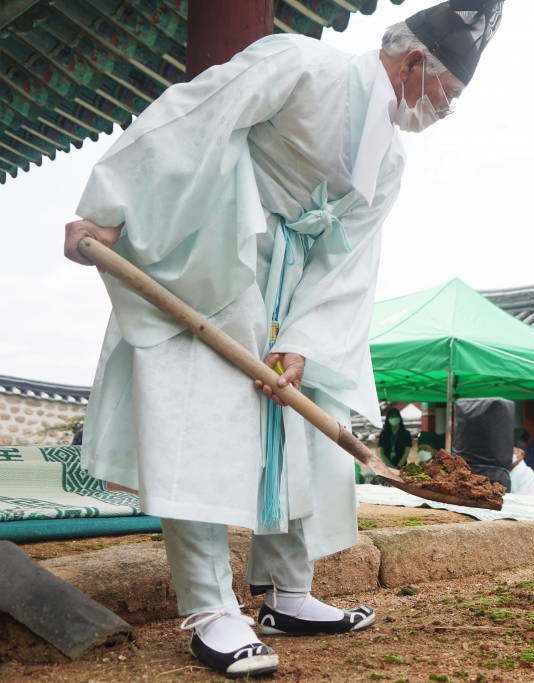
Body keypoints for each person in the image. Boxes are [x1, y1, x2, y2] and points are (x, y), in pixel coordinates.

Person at [62, 2, 503, 677]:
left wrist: (303, 338)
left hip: (300, 291)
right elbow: (196, 113)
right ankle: (211, 607)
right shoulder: (300, 65)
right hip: (224, 252)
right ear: (415, 62)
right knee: (201, 426)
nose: (447, 107)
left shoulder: (391, 160)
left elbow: (350, 257)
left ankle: (286, 591)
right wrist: (108, 206)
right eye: (450, 91)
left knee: (311, 422)